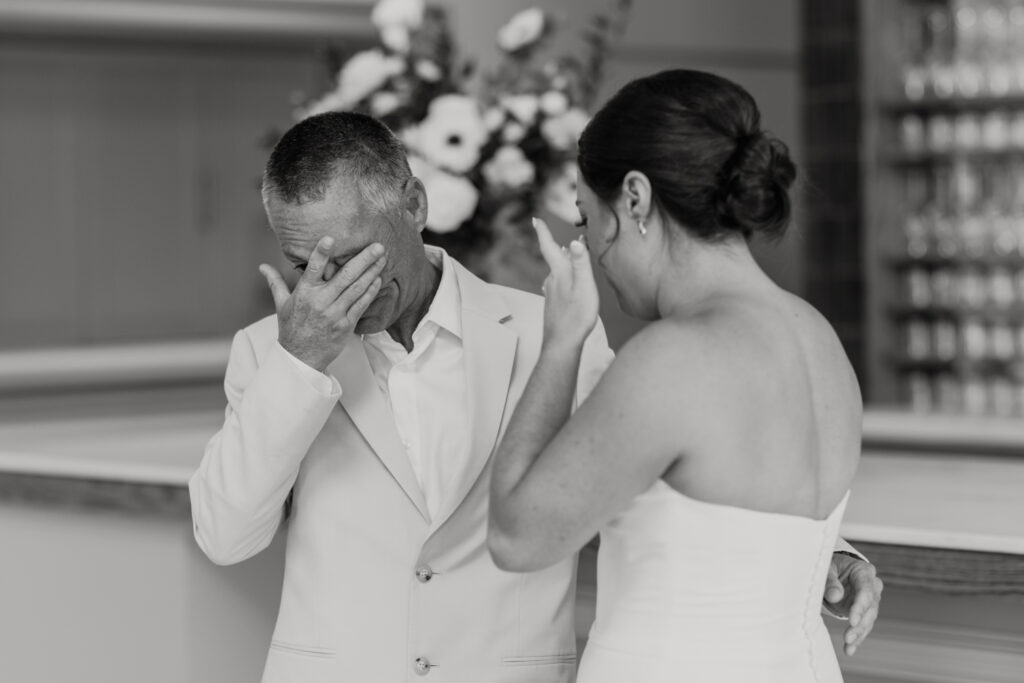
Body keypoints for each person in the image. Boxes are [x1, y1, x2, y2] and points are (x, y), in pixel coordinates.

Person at [189, 110, 880, 682]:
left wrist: (818, 550)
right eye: (303, 263)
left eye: (350, 258)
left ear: (413, 204)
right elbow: (224, 536)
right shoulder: (268, 352)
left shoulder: (549, 327)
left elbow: (646, 467)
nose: (329, 284)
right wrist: (299, 364)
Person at [488, 69, 880, 683]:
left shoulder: (673, 357)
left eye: (588, 219)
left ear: (636, 198)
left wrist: (562, 340)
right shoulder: (819, 338)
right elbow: (749, 525)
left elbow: (517, 538)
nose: (589, 247)